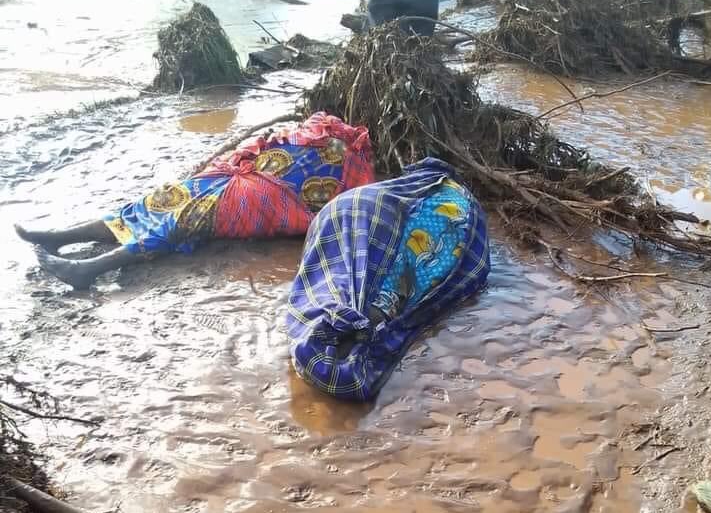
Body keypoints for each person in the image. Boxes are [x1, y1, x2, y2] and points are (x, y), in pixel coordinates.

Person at [15, 114, 375, 289]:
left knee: (181, 216)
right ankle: (62, 237)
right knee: (166, 199)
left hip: (262, 199)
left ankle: (88, 268)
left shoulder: (337, 152)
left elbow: (329, 213)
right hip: (249, 185)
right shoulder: (346, 159)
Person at [287, 157, 490, 401]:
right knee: (379, 292)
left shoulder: (400, 187)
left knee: (332, 276)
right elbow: (477, 267)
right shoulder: (468, 207)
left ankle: (339, 308)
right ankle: (365, 316)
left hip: (340, 211)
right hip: (399, 248)